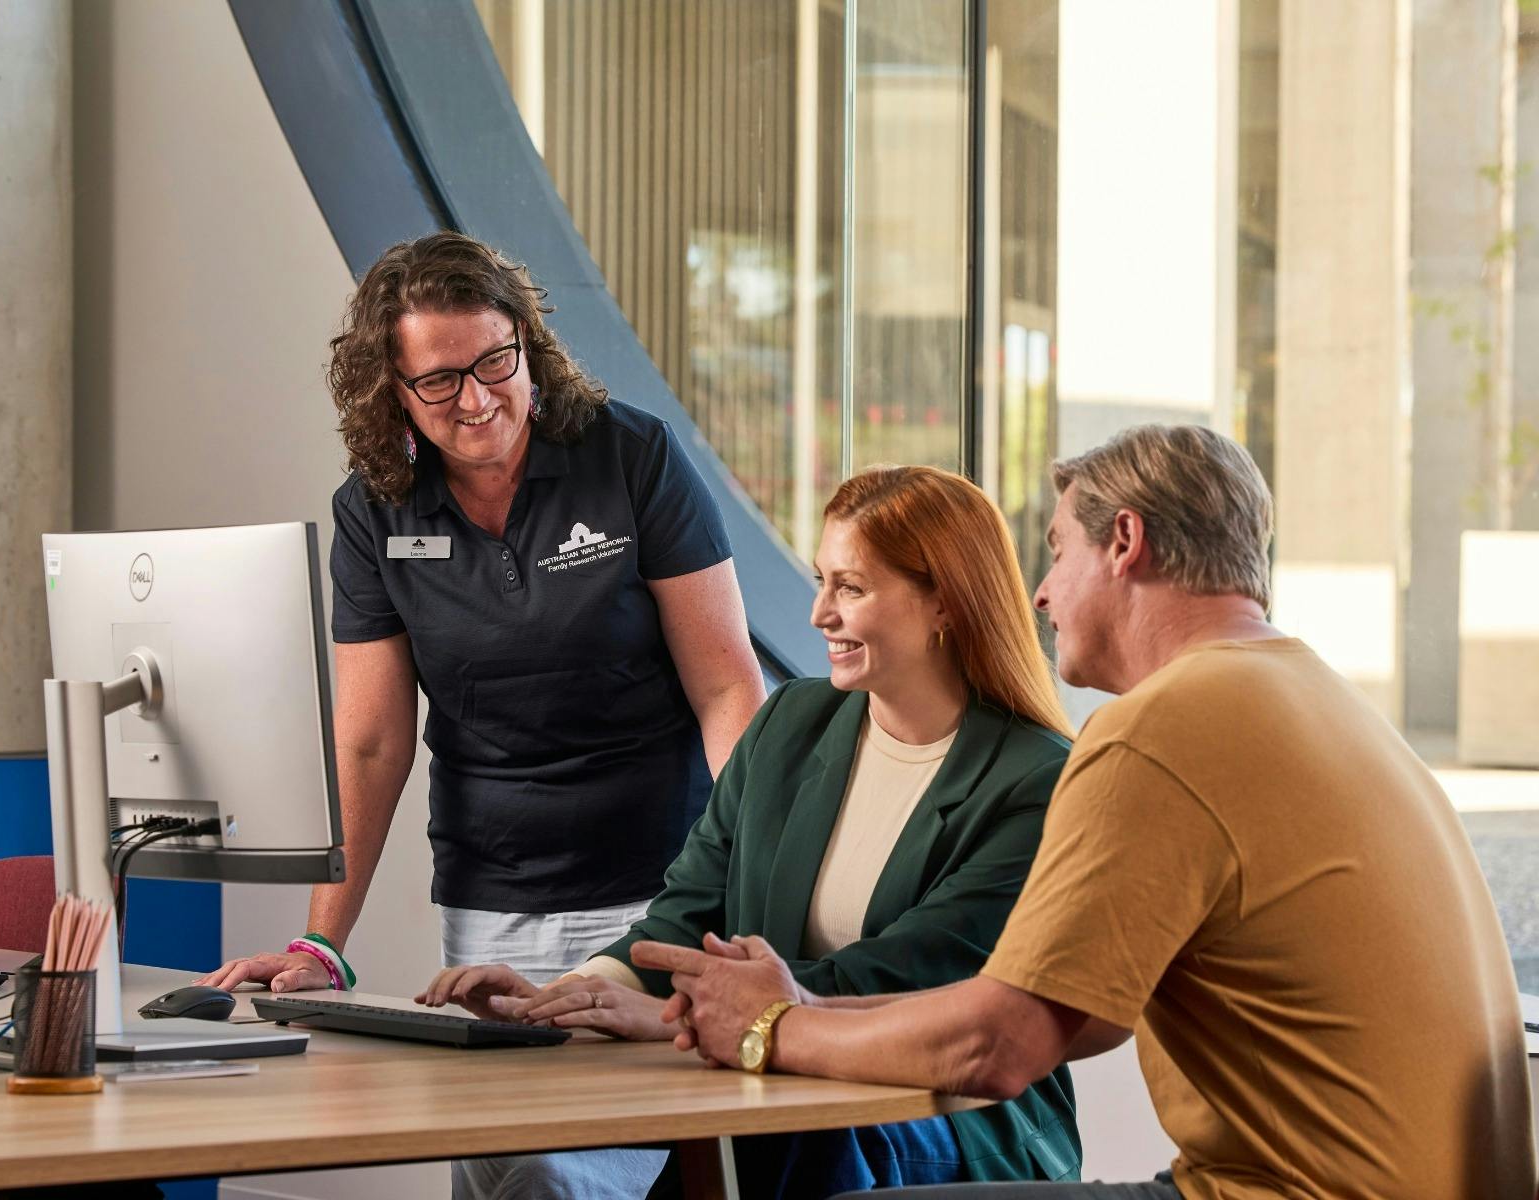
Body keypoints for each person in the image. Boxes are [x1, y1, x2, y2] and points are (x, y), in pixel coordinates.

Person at [634, 425, 1538, 1200]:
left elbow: (999, 1047)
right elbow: (1088, 1016)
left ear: (1126, 542)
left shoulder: (1160, 729)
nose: (1038, 593)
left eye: (1059, 551)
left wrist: (771, 1025)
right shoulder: (1313, 698)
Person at [197, 232, 767, 1196]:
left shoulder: (630, 458)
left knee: (569, 1179)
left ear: (528, 348)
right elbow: (373, 743)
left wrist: (748, 890)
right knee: (500, 1172)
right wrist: (321, 943)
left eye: (495, 361)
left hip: (655, 894)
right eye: (440, 379)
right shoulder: (374, 512)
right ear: (394, 393)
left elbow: (726, 692)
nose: (477, 397)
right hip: (489, 908)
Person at [419, 466, 1083, 1195]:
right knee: (528, 1126)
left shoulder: (1036, 780)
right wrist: (567, 998)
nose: (819, 614)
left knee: (760, 1138)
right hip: (773, 1077)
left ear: (943, 604)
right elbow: (688, 910)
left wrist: (672, 1016)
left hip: (950, 1112)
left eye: (851, 588)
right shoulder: (790, 721)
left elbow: (902, 975)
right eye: (820, 580)